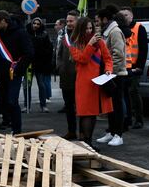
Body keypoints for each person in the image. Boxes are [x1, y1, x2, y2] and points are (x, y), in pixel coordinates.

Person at [69, 17, 114, 146]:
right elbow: (83, 59)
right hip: (84, 83)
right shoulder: (74, 44)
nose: (89, 31)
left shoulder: (99, 41)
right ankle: (86, 142)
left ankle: (87, 141)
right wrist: (90, 45)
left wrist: (108, 70)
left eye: (90, 28)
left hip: (98, 81)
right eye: (86, 29)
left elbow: (108, 58)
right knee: (85, 113)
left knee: (92, 113)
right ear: (80, 30)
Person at [0, 11, 34, 135]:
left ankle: (17, 130)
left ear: (4, 21)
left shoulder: (20, 33)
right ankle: (9, 124)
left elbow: (29, 53)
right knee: (4, 102)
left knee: (12, 100)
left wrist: (18, 69)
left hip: (15, 73)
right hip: (1, 75)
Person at [95, 5, 127, 147]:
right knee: (110, 105)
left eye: (99, 20)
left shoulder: (114, 32)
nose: (97, 22)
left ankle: (118, 134)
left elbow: (118, 54)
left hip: (116, 74)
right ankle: (111, 131)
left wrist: (109, 71)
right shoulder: (107, 31)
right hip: (109, 74)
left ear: (105, 19)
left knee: (117, 105)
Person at [119, 7, 147, 129]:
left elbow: (143, 49)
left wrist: (140, 66)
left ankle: (139, 119)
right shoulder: (121, 30)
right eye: (122, 15)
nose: (124, 17)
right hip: (125, 67)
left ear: (131, 16)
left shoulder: (139, 28)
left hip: (135, 67)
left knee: (133, 92)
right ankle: (128, 118)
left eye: (126, 15)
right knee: (125, 94)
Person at [55, 11, 79, 139]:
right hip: (65, 76)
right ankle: (71, 131)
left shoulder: (82, 35)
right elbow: (58, 53)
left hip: (79, 77)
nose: (68, 23)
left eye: (71, 21)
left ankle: (83, 133)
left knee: (80, 107)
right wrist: (59, 67)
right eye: (67, 21)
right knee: (69, 107)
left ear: (77, 21)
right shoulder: (63, 35)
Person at [28, 17, 54, 113]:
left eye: (38, 24)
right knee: (27, 85)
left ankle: (43, 105)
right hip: (29, 63)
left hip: (40, 63)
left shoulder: (44, 34)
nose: (35, 25)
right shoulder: (27, 33)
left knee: (41, 84)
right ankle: (27, 106)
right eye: (34, 23)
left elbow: (49, 49)